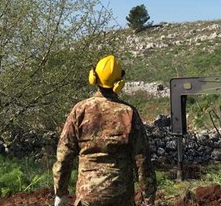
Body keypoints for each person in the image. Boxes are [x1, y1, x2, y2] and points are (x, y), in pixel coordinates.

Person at [53, 55, 156, 206]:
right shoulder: (128, 113)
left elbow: (64, 157)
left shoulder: (79, 110)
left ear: (93, 76)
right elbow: (142, 160)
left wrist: (60, 192)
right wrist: (148, 199)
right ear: (119, 82)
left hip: (87, 197)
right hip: (121, 198)